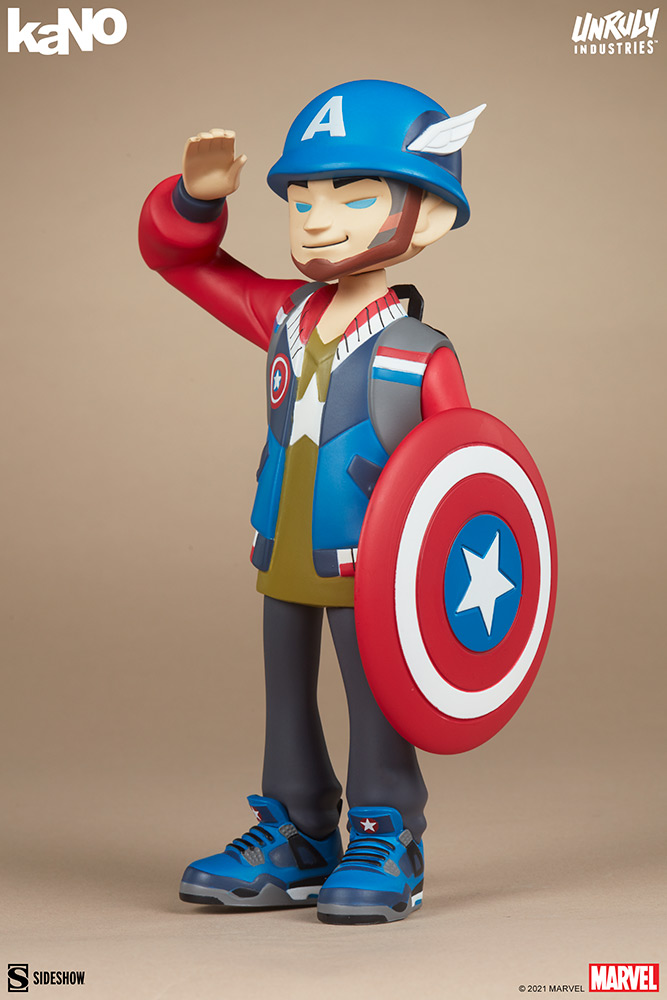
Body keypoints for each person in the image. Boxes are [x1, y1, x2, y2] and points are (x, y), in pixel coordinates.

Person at [139, 79, 484, 924]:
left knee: (378, 695)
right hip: (284, 547)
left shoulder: (418, 353)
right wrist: (193, 201)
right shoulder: (284, 316)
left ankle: (387, 831)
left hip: (376, 566)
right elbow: (181, 261)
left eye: (354, 197)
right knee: (286, 695)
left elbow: (465, 483)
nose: (317, 220)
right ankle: (297, 829)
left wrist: (435, 591)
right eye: (301, 199)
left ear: (428, 217)